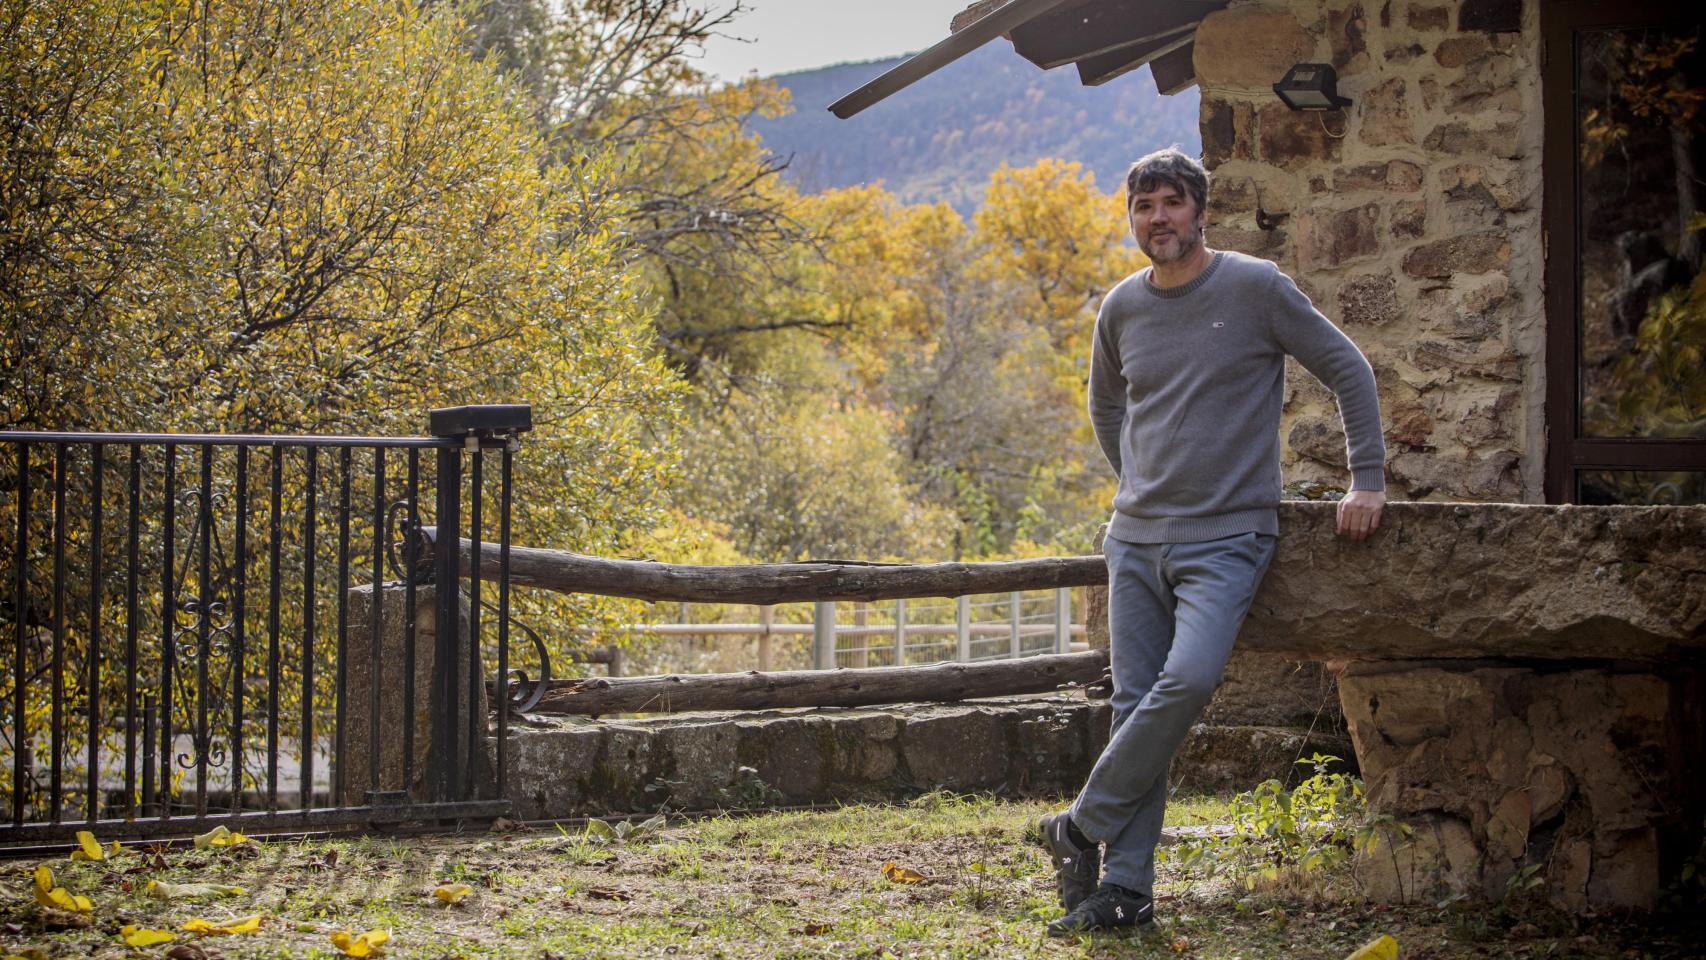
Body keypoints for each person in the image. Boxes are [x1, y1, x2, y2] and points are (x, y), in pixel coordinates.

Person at [1039, 147, 1386, 936]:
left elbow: (1348, 368)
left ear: (1200, 211)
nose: (1157, 218)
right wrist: (1142, 485)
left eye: (1170, 203)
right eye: (1143, 206)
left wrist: (1367, 479)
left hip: (1230, 537)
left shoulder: (1256, 288)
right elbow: (1106, 411)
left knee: (1188, 680)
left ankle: (1079, 826)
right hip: (1134, 539)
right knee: (1134, 706)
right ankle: (1125, 889)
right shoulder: (1122, 307)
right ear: (1132, 219)